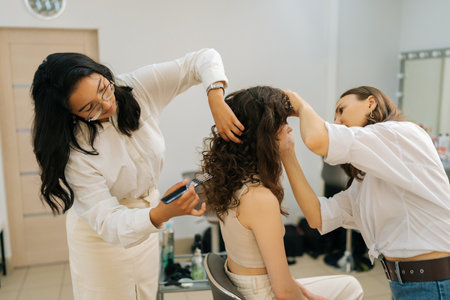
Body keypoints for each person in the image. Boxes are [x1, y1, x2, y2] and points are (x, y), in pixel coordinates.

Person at [30, 48, 244, 300]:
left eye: (104, 88)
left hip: (147, 222)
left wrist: (215, 98)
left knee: (145, 292)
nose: (107, 104)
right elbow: (109, 223)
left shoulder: (136, 87)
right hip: (100, 238)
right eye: (91, 108)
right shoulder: (74, 151)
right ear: (70, 114)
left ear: (103, 73)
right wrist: (161, 214)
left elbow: (203, 58)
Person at [279, 86, 450, 299]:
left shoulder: (399, 133)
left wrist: (301, 105)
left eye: (342, 110)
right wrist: (287, 153)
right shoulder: (366, 181)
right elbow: (317, 216)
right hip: (407, 284)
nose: (337, 121)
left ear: (371, 103)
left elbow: (317, 139)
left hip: (433, 282)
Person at [201, 86, 364, 300]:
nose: (290, 129)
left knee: (349, 284)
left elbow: (281, 280)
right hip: (261, 294)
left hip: (249, 284)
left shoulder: (232, 181)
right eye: (284, 122)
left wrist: (287, 152)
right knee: (352, 288)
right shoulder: (260, 199)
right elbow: (284, 293)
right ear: (263, 133)